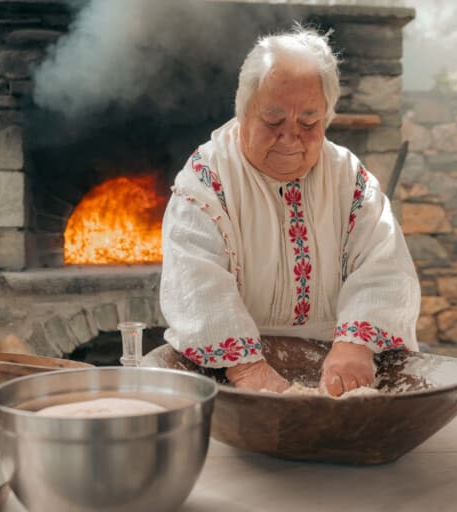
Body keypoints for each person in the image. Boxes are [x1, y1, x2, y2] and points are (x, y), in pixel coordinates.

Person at [159, 26, 420, 396]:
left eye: (309, 122)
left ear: (327, 118)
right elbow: (195, 280)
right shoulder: (207, 177)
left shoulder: (349, 177)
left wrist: (354, 344)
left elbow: (384, 265)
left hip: (339, 370)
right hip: (233, 378)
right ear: (243, 110)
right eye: (273, 121)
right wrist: (248, 368)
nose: (290, 136)